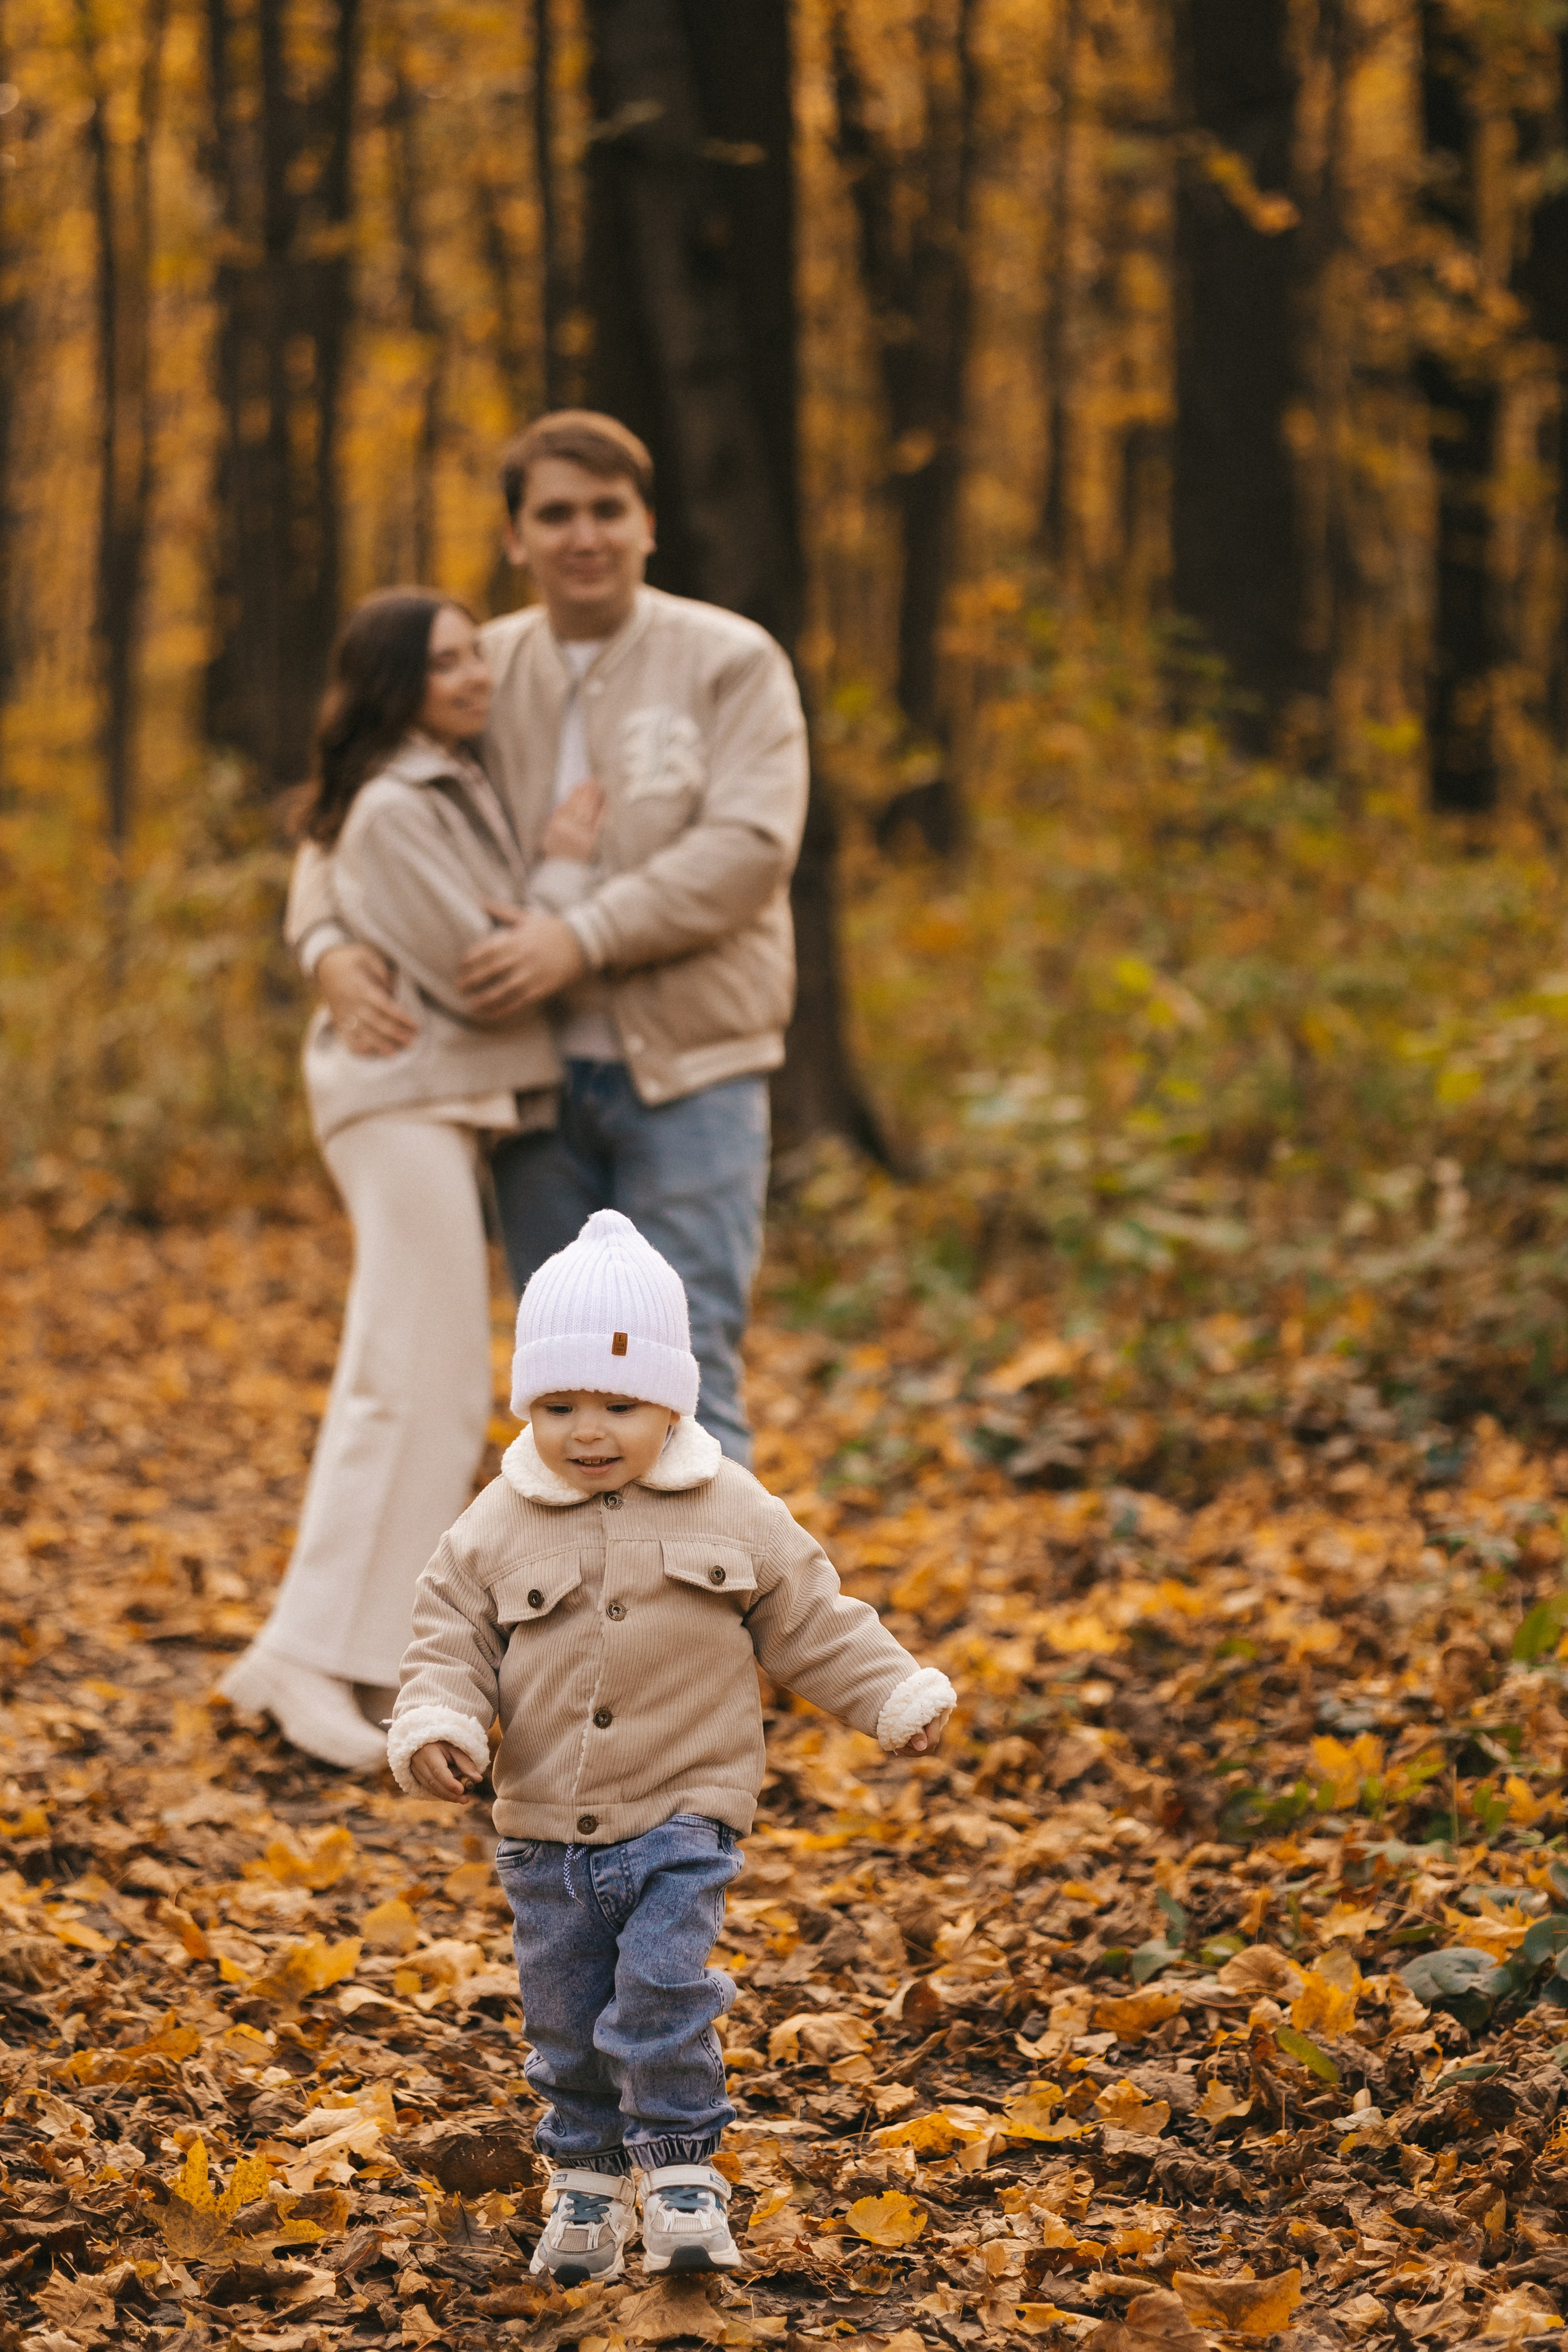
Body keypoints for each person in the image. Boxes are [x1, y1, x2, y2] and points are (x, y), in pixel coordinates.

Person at [385, 1210, 956, 2282]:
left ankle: (685, 2172)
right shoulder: (496, 1522)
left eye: (618, 1404)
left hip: (684, 1814)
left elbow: (811, 1617)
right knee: (563, 2017)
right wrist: (440, 1722)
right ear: (528, 1407)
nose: (588, 1430)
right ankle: (588, 2185)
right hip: (545, 1827)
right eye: (559, 1406)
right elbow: (446, 1637)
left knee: (660, 1990)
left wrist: (891, 1696)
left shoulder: (730, 1508)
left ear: (672, 1403)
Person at [287, 410, 810, 1468]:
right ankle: (587, 1631)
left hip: (692, 1077)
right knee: (569, 1396)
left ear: (647, 524)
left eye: (608, 511)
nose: (586, 536)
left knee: (687, 1361)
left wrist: (580, 937)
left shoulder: (730, 660)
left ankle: (700, 1630)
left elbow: (752, 846)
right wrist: (327, 944)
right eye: (556, 514)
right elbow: (354, 798)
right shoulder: (476, 666)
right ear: (516, 537)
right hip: (526, 1089)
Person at [222, 590, 597, 1773]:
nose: (474, 676)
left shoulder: (436, 781)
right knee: (404, 1383)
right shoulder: (397, 803)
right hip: (398, 1105)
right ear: (396, 684)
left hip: (429, 1103)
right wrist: (564, 870)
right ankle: (302, 1652)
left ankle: (365, 1654)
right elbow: (487, 969)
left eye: (476, 653)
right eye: (444, 665)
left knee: (431, 1389)